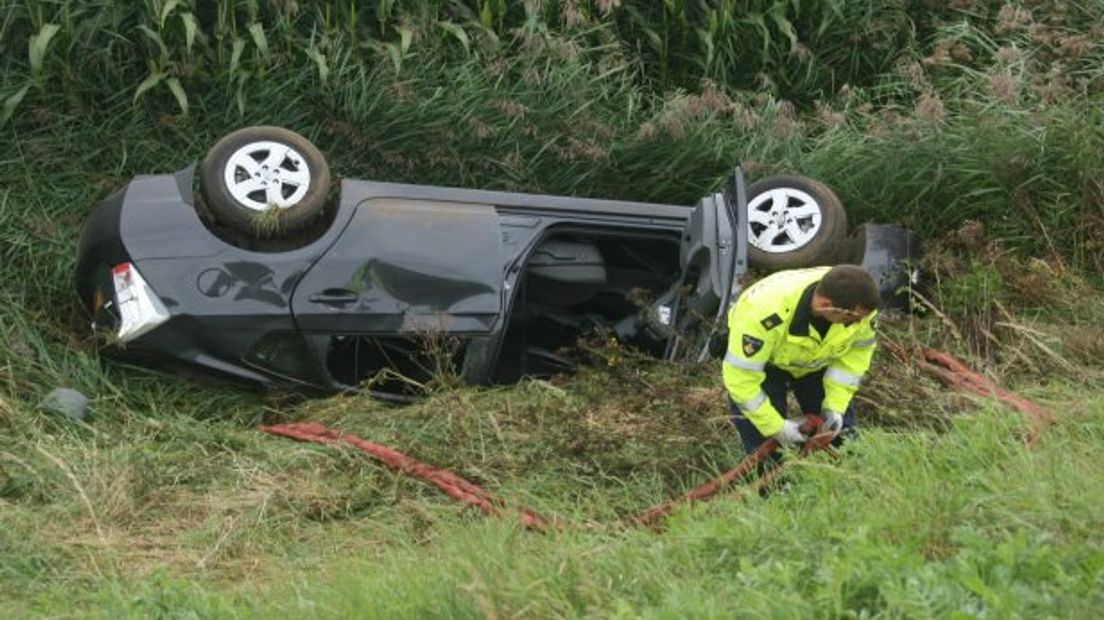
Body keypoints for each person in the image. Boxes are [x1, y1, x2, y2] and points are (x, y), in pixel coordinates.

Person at [722, 265, 881, 464]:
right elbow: (741, 381)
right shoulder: (762, 312)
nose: (858, 325)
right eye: (851, 320)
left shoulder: (859, 308)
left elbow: (853, 361)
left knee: (843, 437)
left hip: (816, 360)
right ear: (826, 305)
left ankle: (846, 479)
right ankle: (771, 489)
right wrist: (776, 427)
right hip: (765, 366)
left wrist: (835, 407)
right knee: (765, 449)